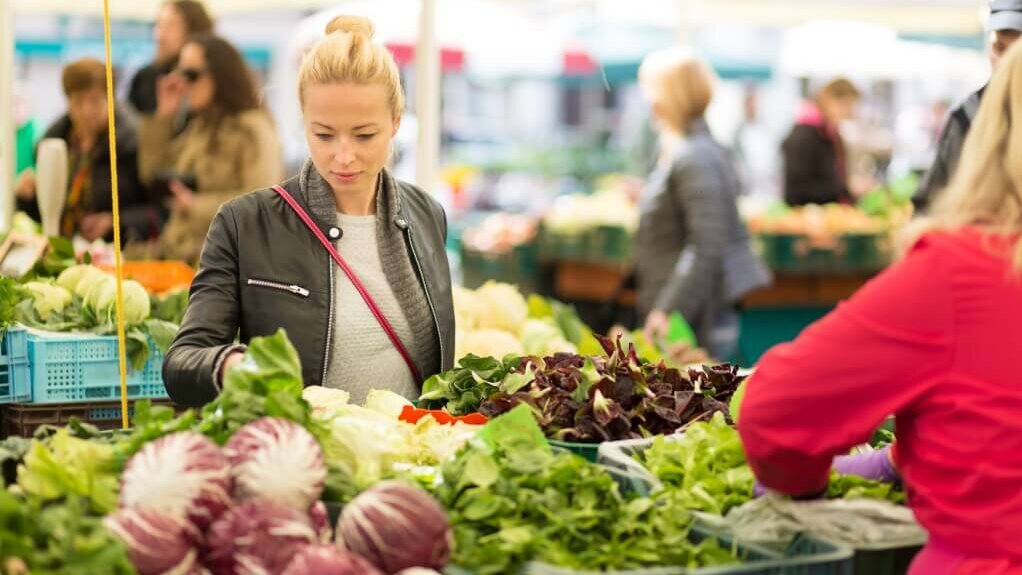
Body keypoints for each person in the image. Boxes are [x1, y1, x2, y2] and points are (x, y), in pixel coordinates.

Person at [737, 40, 1022, 575]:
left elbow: (775, 412)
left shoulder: (958, 274)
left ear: (992, 132)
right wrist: (899, 458)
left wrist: (803, 482)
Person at [163, 15, 455, 407]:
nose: (344, 156)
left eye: (365, 134)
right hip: (302, 455)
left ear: (396, 122)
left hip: (409, 456)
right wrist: (230, 364)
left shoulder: (426, 215)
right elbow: (182, 363)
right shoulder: (244, 224)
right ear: (303, 122)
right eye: (324, 134)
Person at [635, 47, 770, 361]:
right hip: (691, 312)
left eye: (651, 91)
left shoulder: (694, 156)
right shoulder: (687, 150)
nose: (649, 102)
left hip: (697, 319)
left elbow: (706, 245)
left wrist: (667, 309)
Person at [138, 33, 283, 262]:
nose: (182, 83)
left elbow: (261, 203)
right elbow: (151, 173)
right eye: (178, 73)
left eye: (191, 75)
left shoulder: (252, 128)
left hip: (222, 264)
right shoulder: (199, 125)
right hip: (179, 256)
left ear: (220, 74)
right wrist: (164, 117)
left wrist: (194, 205)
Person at [14, 58, 156, 242]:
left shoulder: (133, 142)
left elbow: (157, 211)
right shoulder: (55, 142)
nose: (87, 110)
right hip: (67, 248)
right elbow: (48, 216)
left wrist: (116, 223)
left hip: (119, 253)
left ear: (110, 98)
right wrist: (29, 196)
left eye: (95, 100)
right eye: (78, 102)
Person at [913, 0, 1022, 213]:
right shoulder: (967, 115)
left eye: (1016, 53)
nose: (1004, 63)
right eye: (1000, 48)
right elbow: (929, 202)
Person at [781, 77, 863, 206]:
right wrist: (845, 188)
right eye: (846, 105)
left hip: (830, 215)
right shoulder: (803, 136)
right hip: (807, 219)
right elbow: (796, 191)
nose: (850, 113)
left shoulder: (830, 133)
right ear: (829, 100)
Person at [128, 0, 214, 115]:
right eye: (158, 25)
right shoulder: (145, 78)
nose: (159, 35)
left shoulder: (209, 79)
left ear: (193, 30)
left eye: (171, 26)